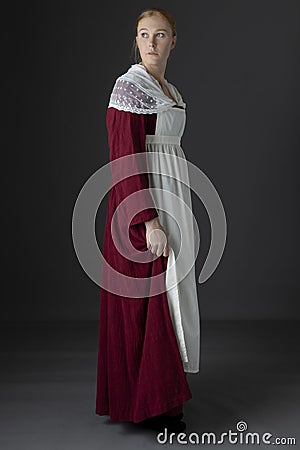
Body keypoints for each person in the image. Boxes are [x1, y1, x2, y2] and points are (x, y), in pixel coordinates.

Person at [95, 7, 200, 433]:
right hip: (140, 204)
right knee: (152, 296)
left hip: (172, 194)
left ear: (173, 41)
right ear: (136, 41)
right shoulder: (130, 88)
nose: (152, 42)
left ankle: (163, 394)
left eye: (160, 35)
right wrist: (147, 220)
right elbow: (124, 158)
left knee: (172, 288)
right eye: (144, 34)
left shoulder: (168, 88)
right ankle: (154, 400)